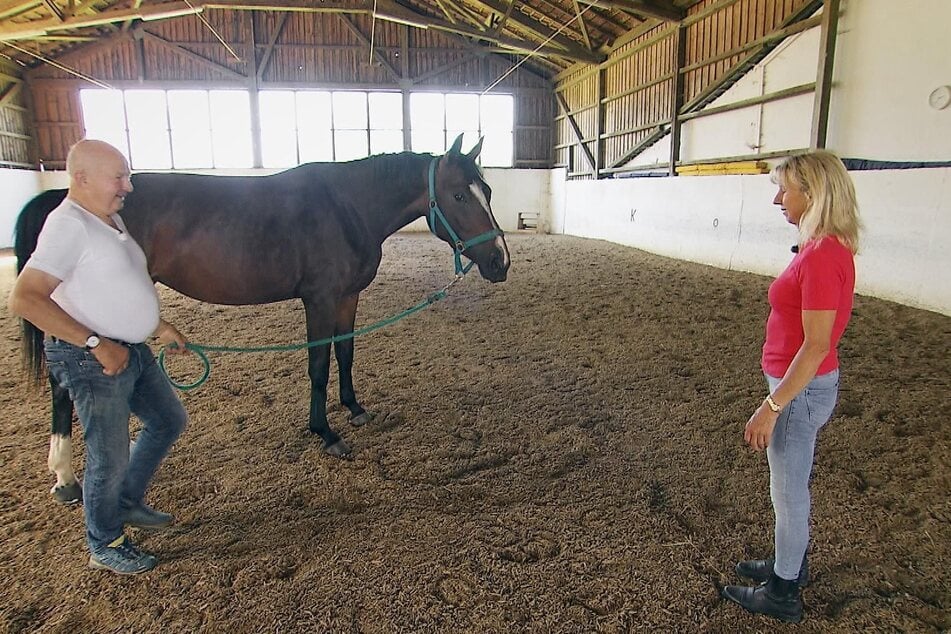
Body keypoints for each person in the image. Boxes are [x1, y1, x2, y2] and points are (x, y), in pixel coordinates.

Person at [8, 139, 191, 575]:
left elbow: (118, 282)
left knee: (168, 420)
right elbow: (24, 299)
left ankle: (126, 501)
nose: (128, 186)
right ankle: (104, 541)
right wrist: (94, 343)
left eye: (126, 176)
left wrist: (158, 326)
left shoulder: (108, 219)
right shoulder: (68, 225)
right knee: (107, 455)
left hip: (131, 348)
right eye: (119, 178)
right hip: (92, 358)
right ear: (82, 178)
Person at [721, 151, 861, 623]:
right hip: (798, 386)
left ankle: (782, 591)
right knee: (789, 488)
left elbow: (818, 344)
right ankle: (789, 564)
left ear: (814, 194)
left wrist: (773, 404)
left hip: (798, 391)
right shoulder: (821, 247)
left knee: (789, 492)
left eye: (787, 190)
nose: (778, 198)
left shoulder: (822, 257)